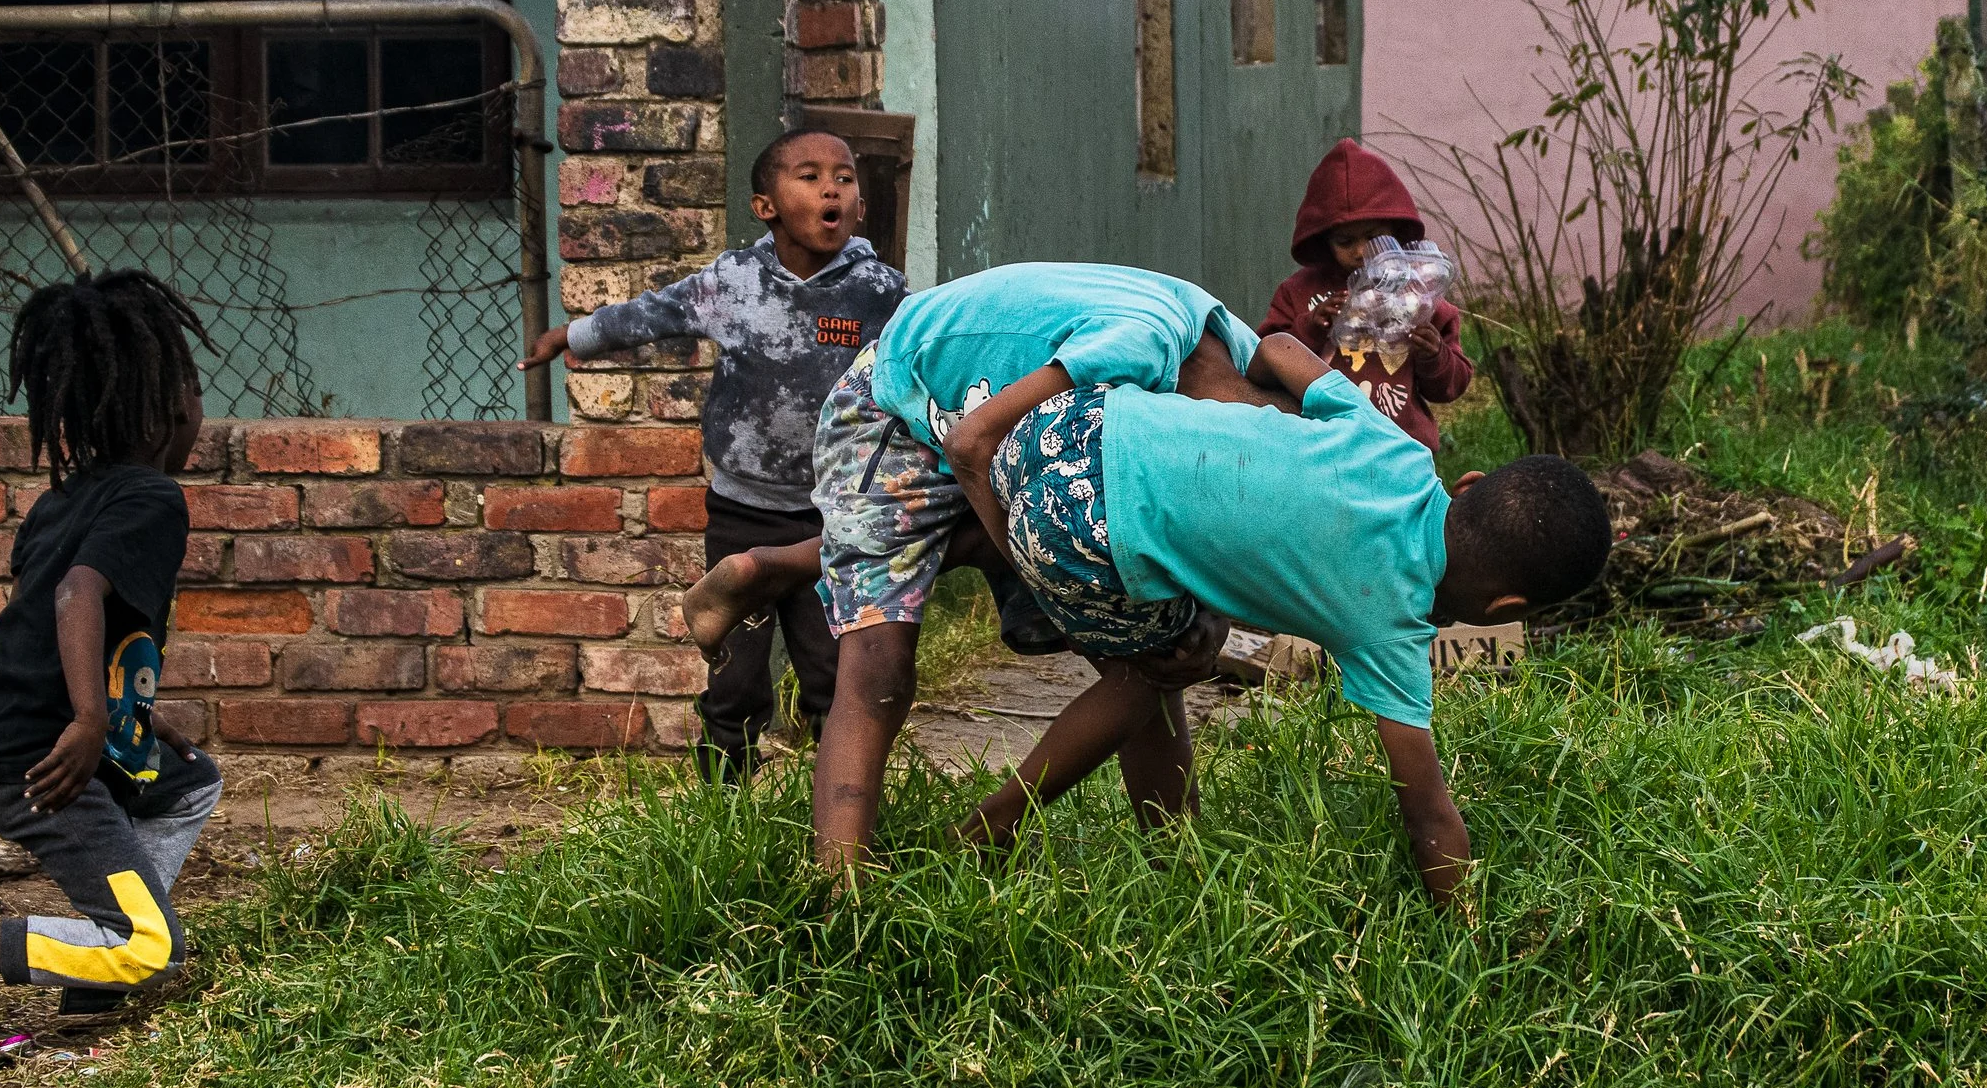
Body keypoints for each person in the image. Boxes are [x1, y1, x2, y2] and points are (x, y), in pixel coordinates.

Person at [948, 330, 1612, 904]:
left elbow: (1279, 348)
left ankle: (1174, 857)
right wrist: (1466, 931)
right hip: (1081, 527)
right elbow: (1429, 815)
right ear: (1505, 611)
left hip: (1061, 421)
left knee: (1168, 639)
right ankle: (993, 824)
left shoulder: (1400, 451)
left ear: (1467, 484)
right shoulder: (1391, 628)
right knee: (1150, 673)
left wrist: (1263, 406)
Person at [679, 262, 1289, 875]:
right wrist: (1046, 575)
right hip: (898, 404)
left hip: (1009, 417)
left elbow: (1196, 530)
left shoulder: (1236, 365)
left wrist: (1199, 610)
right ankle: (840, 895)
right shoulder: (1142, 352)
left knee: (1151, 651)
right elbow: (971, 447)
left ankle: (1180, 870)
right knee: (879, 668)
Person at [0, 271, 220, 1062]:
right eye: (193, 389)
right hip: (40, 756)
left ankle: (95, 967)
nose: (201, 411)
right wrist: (92, 720)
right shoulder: (152, 497)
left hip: (10, 734)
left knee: (190, 779)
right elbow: (76, 597)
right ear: (165, 406)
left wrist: (128, 711)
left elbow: (38, 609)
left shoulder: (66, 498)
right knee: (154, 947)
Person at [521, 127, 906, 783]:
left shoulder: (879, 291)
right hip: (743, 513)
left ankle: (838, 801)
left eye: (843, 176)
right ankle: (724, 800)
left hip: (834, 521)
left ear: (860, 207)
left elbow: (917, 367)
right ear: (767, 206)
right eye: (809, 176)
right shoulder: (734, 282)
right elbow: (653, 314)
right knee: (736, 675)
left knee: (832, 673)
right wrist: (573, 335)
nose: (831, 187)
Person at [1260, 137, 1475, 455]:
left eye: (1374, 237)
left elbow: (1451, 386)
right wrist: (1309, 329)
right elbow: (1262, 362)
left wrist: (1434, 355)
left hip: (1400, 449)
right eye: (1345, 241)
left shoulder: (1418, 292)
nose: (1361, 252)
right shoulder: (1298, 293)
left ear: (1397, 230)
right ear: (1323, 240)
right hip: (1320, 445)